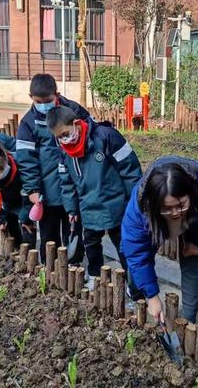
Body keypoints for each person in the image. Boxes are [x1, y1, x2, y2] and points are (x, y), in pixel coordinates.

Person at [46, 106, 142, 295]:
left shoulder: (106, 137)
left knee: (124, 244)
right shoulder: (64, 151)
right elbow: (66, 182)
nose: (64, 139)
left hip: (116, 204)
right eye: (59, 137)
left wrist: (134, 203)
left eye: (66, 133)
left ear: (75, 124)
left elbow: (130, 170)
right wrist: (71, 209)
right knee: (90, 243)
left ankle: (135, 284)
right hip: (87, 206)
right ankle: (95, 276)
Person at [121, 157, 198, 323]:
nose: (176, 212)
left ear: (190, 194)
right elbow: (137, 254)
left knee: (191, 258)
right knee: (140, 262)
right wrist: (152, 296)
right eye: (168, 208)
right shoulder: (139, 211)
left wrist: (197, 241)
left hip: (195, 217)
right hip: (156, 220)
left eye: (181, 205)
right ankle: (137, 297)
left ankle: (188, 320)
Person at [16, 74, 90, 261]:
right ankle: (51, 269)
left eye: (47, 101)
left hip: (73, 188)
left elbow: (90, 134)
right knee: (49, 236)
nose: (43, 105)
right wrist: (32, 189)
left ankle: (75, 267)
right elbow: (26, 160)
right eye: (38, 101)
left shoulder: (73, 110)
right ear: (30, 96)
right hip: (46, 192)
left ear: (56, 94)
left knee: (73, 232)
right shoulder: (27, 122)